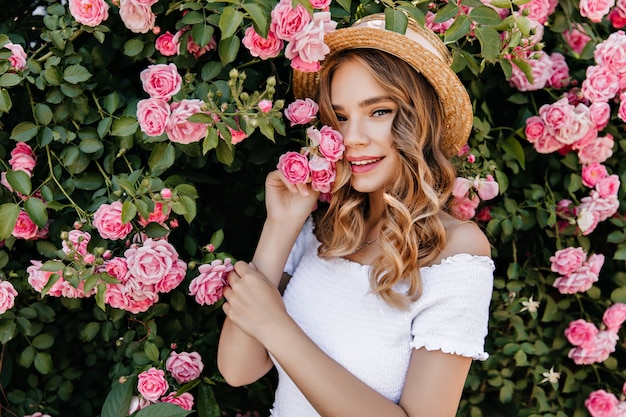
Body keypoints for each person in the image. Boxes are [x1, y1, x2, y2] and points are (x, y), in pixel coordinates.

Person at [217, 13, 494, 417]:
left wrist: (276, 325)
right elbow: (238, 369)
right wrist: (282, 224)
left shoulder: (457, 251)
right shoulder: (323, 229)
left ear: (420, 119)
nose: (352, 138)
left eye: (378, 111)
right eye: (341, 117)